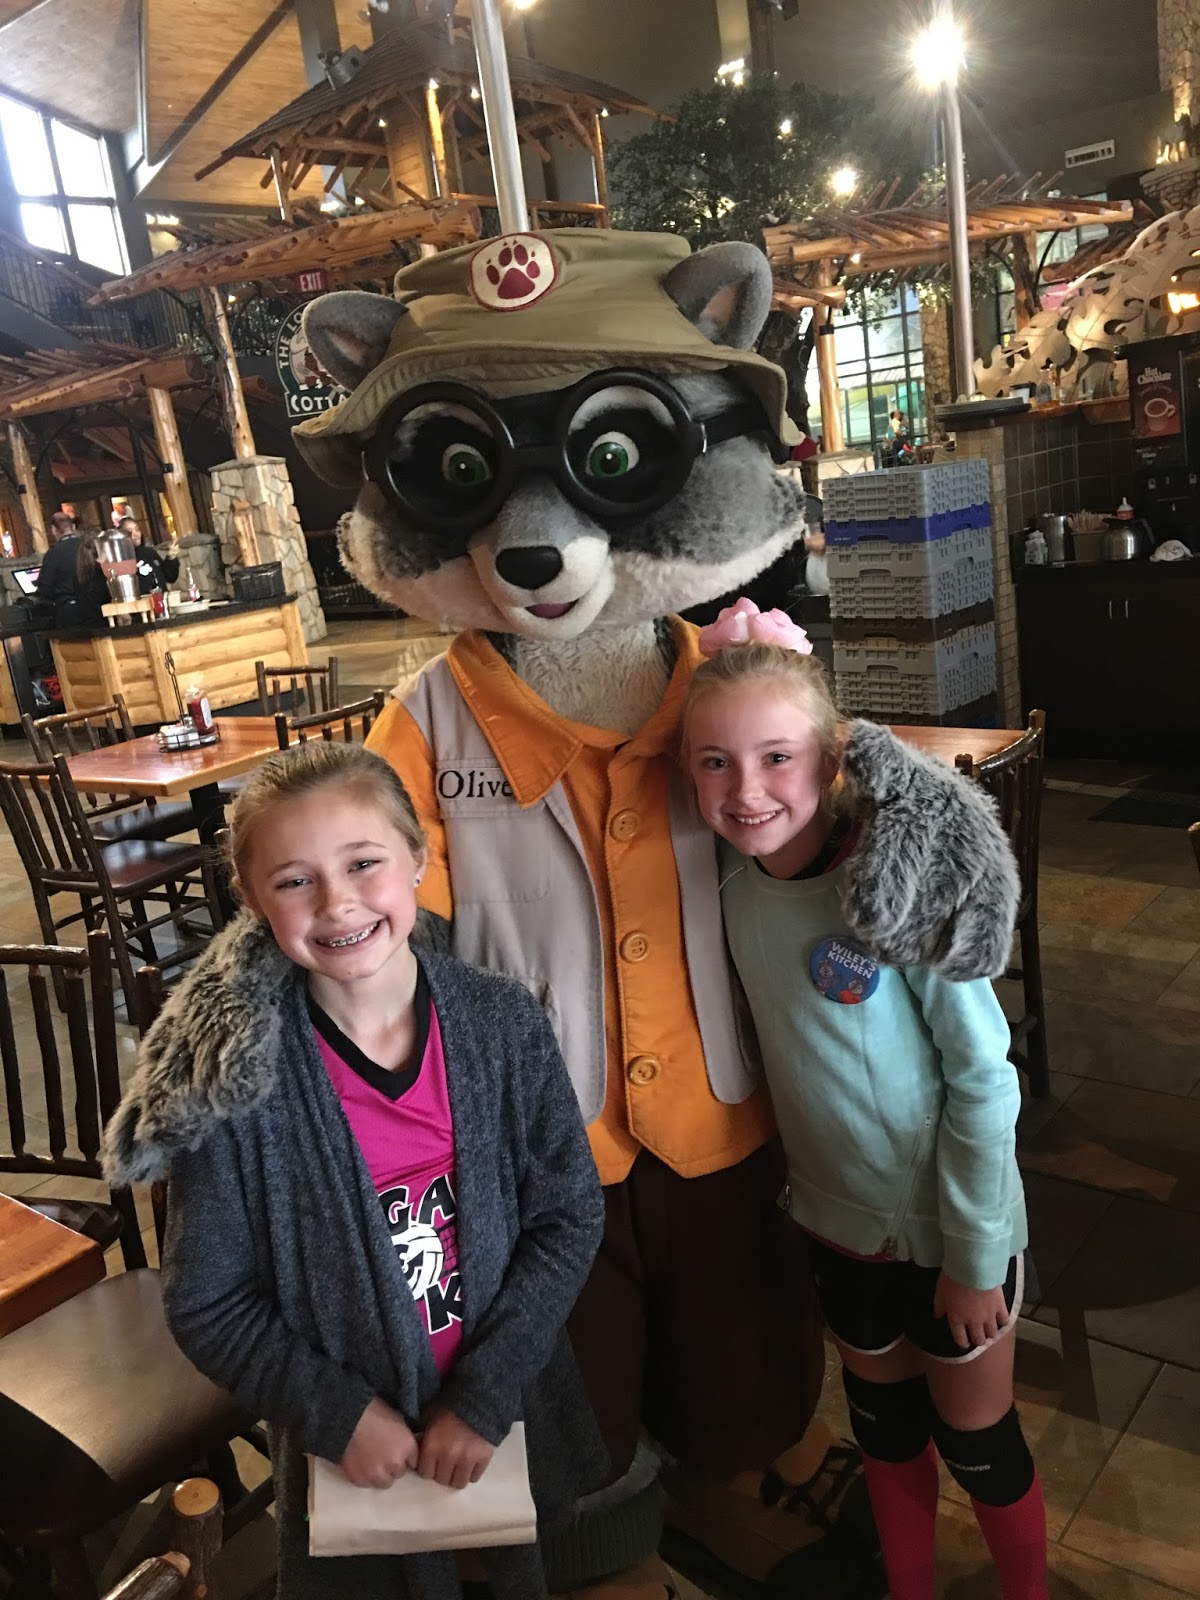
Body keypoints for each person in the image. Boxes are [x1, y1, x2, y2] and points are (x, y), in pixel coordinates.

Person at [104, 741, 608, 1600]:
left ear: (417, 858)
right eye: (294, 880)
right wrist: (337, 1416)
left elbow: (569, 1215)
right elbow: (207, 1301)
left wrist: (483, 1395)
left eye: (363, 863)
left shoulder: (504, 1025)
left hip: (503, 1411)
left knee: (504, 1574)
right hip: (350, 1449)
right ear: (252, 899)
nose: (337, 902)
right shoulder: (241, 1085)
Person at [681, 599, 1046, 1600]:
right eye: (714, 762)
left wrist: (975, 1256)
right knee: (884, 1433)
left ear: (832, 758)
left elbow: (983, 1075)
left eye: (776, 758)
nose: (747, 790)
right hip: (838, 1230)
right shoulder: (728, 888)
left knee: (978, 1442)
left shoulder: (894, 886)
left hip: (951, 1234)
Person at [33, 526, 109, 628]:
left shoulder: (55, 553)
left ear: (54, 530)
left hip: (71, 616)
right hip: (99, 622)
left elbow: (45, 588)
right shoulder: (99, 575)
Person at [119, 515, 179, 595]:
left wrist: (171, 557)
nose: (136, 534)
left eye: (137, 529)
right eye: (130, 532)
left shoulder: (149, 552)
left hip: (162, 599)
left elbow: (170, 577)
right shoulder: (121, 559)